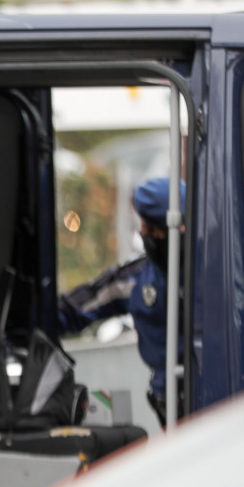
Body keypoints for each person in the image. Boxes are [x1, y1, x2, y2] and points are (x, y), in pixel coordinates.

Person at [58, 176, 184, 424]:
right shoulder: (135, 279)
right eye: (145, 229)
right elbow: (77, 308)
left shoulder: (216, 273)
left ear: (179, 226)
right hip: (168, 405)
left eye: (155, 230)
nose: (147, 236)